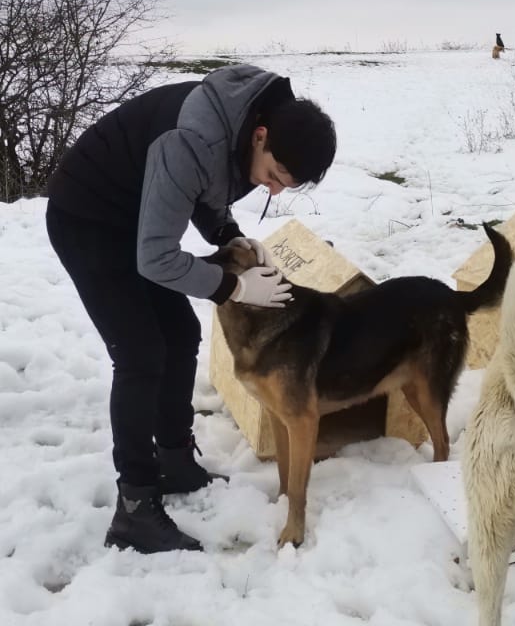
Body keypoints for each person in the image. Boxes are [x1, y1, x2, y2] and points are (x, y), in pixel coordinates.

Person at [46, 64, 337, 553]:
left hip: (137, 217)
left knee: (179, 334)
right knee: (139, 354)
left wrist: (230, 235)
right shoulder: (191, 141)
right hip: (90, 219)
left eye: (285, 185)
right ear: (261, 138)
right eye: (273, 176)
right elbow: (156, 256)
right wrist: (232, 288)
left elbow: (207, 187)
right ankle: (136, 507)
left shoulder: (242, 124)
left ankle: (175, 461)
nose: (273, 190)